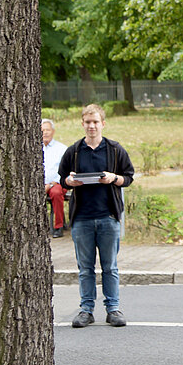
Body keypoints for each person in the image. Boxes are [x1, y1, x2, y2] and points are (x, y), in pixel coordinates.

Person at [59, 103, 134, 329]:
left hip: (108, 216)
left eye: (95, 122)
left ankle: (113, 309)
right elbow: (63, 179)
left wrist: (113, 178)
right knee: (85, 267)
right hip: (81, 217)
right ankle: (86, 310)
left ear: (103, 124)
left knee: (110, 266)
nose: (92, 126)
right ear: (82, 124)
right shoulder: (73, 151)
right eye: (88, 122)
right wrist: (69, 182)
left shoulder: (114, 150)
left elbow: (128, 177)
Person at [42, 118, 68, 238]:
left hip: (56, 183)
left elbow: (64, 170)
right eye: (42, 130)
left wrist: (51, 184)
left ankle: (58, 226)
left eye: (48, 130)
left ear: (53, 131)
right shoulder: (34, 148)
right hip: (39, 184)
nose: (45, 133)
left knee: (56, 193)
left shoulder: (61, 149)